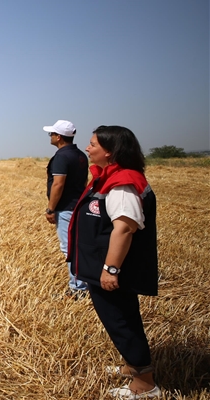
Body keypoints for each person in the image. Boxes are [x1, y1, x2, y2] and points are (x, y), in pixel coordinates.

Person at [67, 126, 159, 399]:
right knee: (120, 319)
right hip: (103, 267)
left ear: (110, 151)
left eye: (93, 144)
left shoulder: (122, 183)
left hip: (115, 270)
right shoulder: (110, 178)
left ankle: (146, 385)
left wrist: (110, 269)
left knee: (122, 322)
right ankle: (134, 367)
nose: (87, 148)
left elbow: (124, 229)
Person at [42, 119, 89, 297]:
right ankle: (82, 284)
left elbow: (58, 184)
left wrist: (50, 209)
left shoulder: (61, 157)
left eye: (51, 134)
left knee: (69, 248)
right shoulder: (80, 155)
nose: (50, 137)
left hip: (66, 208)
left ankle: (78, 289)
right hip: (78, 205)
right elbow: (84, 182)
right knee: (78, 245)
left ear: (59, 137)